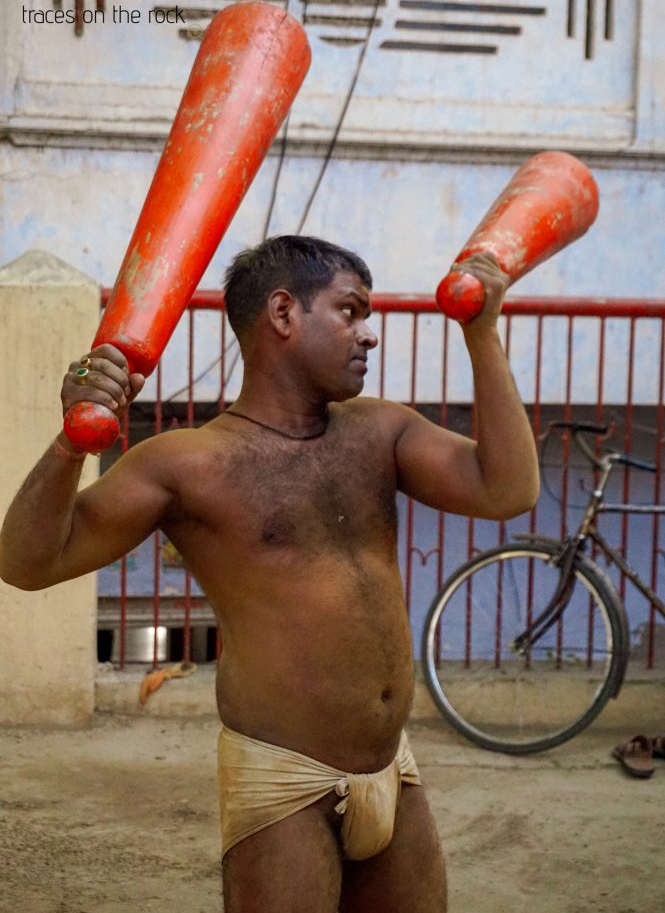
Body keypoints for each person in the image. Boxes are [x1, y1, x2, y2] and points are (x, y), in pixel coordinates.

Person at [0, 235, 539, 912]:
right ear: (283, 313)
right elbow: (25, 563)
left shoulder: (380, 431)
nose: (368, 334)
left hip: (390, 769)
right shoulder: (188, 463)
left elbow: (506, 489)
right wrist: (68, 444)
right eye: (350, 311)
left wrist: (481, 334)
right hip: (284, 779)